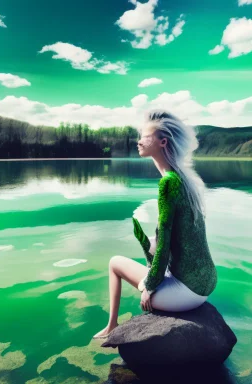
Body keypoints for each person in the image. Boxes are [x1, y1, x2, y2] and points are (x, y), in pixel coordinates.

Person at [92, 109, 218, 339]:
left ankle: (111, 326)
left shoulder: (168, 183)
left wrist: (149, 286)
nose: (138, 141)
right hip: (206, 284)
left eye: (145, 136)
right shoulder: (183, 180)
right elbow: (174, 239)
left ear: (162, 142)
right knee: (151, 242)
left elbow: (165, 244)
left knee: (115, 263)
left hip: (188, 293)